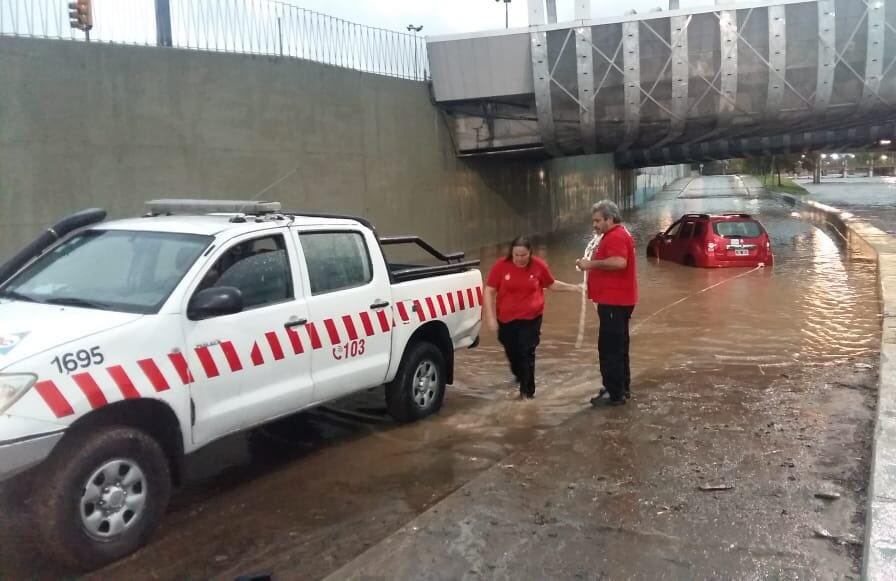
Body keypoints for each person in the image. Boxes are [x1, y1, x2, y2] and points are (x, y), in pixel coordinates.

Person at [484, 236, 580, 399]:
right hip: (506, 319)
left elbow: (551, 284)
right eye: (516, 255)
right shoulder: (501, 266)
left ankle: (527, 393)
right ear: (511, 254)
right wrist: (490, 318)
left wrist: (575, 288)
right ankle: (520, 374)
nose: (520, 259)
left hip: (531, 318)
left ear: (530, 253)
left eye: (523, 255)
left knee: (527, 351)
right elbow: (489, 290)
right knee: (512, 352)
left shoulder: (538, 266)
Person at [575, 200, 638, 407]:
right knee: (619, 347)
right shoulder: (617, 234)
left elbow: (619, 262)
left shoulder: (615, 236)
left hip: (614, 302)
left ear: (610, 219)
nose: (594, 225)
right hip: (618, 301)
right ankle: (621, 388)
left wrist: (590, 264)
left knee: (609, 349)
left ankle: (615, 393)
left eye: (598, 220)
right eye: (593, 221)